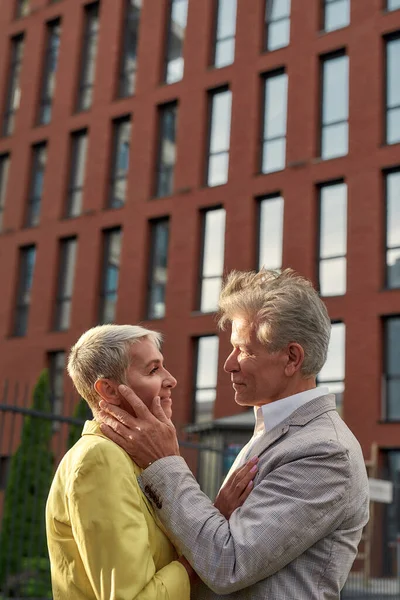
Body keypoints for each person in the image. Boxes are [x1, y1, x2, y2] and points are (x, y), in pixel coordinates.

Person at [99, 269, 370, 600]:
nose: (229, 364)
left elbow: (228, 564)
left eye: (244, 349)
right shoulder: (273, 430)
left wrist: (165, 462)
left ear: (292, 358)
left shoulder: (325, 452)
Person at [45, 324, 257, 600]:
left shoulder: (133, 457)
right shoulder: (100, 458)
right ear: (108, 390)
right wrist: (210, 535)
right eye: (153, 370)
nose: (171, 380)